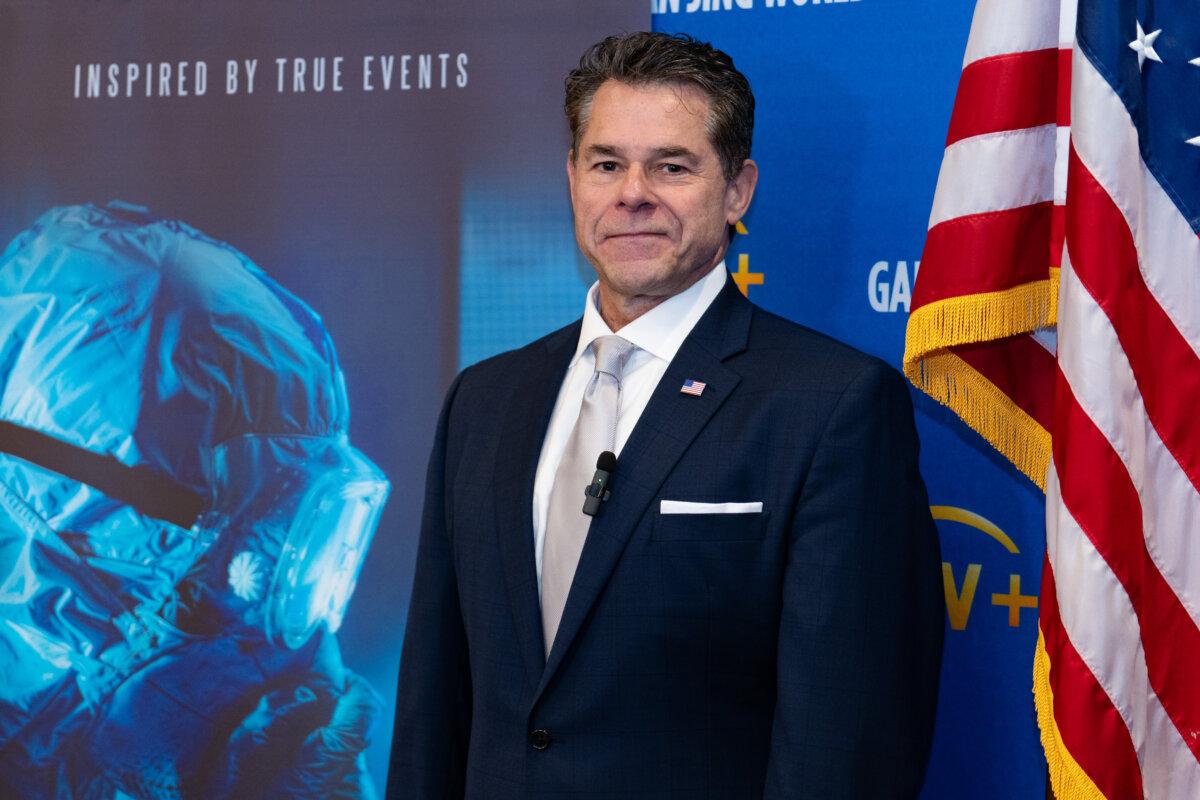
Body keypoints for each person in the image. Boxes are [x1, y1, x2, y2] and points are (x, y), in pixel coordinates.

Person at [388, 32, 943, 799]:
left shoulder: (832, 406)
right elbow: (434, 705)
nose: (633, 194)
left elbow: (844, 744)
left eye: (672, 167)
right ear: (573, 179)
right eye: (606, 164)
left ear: (738, 190)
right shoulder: (484, 400)